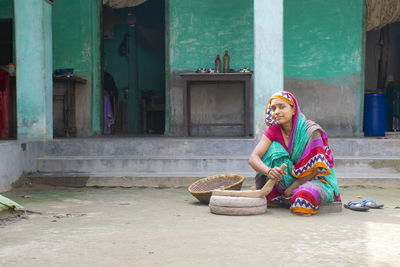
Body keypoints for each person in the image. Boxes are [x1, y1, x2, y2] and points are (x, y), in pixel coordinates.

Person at [248, 91, 341, 216]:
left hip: (316, 179)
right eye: (273, 108)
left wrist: (291, 190)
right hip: (287, 182)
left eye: (282, 106)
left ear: (293, 110)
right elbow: (254, 158)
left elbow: (315, 169)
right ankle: (284, 194)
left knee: (303, 198)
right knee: (273, 149)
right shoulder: (273, 130)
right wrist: (269, 171)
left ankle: (291, 195)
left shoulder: (310, 131)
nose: (276, 111)